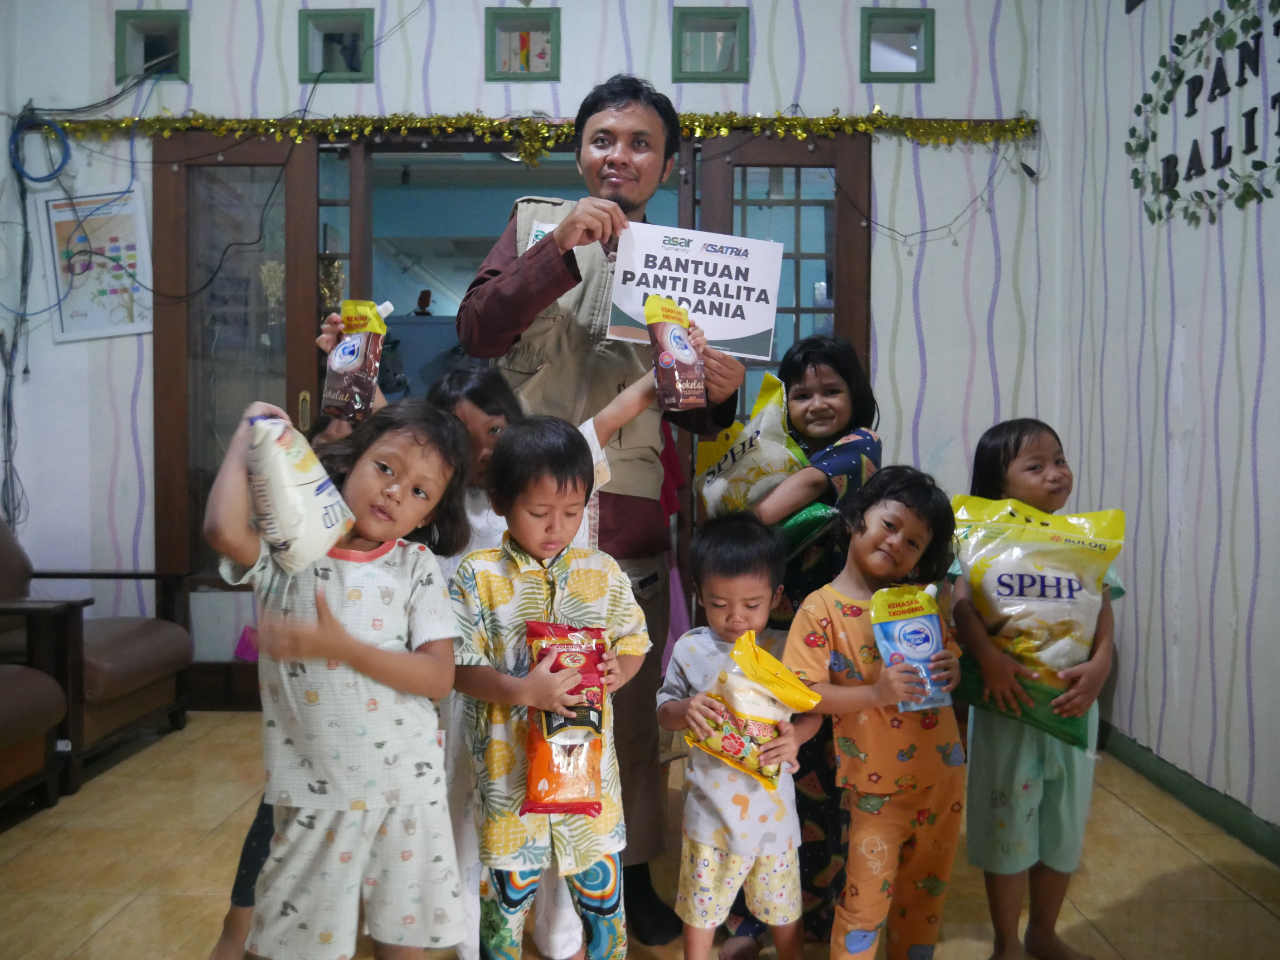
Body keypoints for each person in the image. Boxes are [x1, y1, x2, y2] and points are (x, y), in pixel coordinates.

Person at [456, 73, 745, 943]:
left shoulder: (686, 260)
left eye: (641, 142)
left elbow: (695, 412)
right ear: (580, 149)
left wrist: (721, 391)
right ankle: (509, 874)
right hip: (528, 510)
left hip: (625, 514)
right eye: (604, 138)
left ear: (667, 163)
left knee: (623, 710)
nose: (620, 155)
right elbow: (478, 331)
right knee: (517, 700)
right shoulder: (534, 223)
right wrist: (557, 251)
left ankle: (625, 870)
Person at [203, 398, 470, 960]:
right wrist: (246, 437)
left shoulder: (415, 567)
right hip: (316, 792)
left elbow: (437, 677)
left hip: (409, 790)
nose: (394, 492)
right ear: (350, 462)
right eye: (385, 468)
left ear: (427, 517)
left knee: (403, 939)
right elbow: (223, 531)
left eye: (419, 492)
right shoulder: (291, 550)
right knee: (295, 943)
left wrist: (343, 648)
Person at [426, 365, 657, 960]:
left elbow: (633, 640)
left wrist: (621, 670)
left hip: (591, 783)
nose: (557, 528)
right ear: (501, 503)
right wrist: (523, 691)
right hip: (509, 783)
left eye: (573, 511)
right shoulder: (477, 577)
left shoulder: (601, 572)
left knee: (602, 908)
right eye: (538, 512)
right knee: (505, 908)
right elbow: (459, 668)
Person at [719, 335, 881, 954]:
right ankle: (754, 912)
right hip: (769, 635)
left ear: (856, 396)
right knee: (759, 766)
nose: (816, 404)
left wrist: (733, 518)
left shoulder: (858, 447)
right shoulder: (777, 446)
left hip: (829, 642)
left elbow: (777, 507)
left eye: (831, 390)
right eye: (801, 394)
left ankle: (812, 911)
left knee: (819, 776)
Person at [950, 420, 1124, 960]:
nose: (1056, 473)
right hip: (1008, 705)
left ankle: (1043, 935)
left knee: (1062, 828)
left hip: (1072, 707)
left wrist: (1100, 665)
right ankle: (1006, 942)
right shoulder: (981, 539)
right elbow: (961, 605)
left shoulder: (1083, 540)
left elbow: (1103, 610)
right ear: (997, 484)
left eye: (1060, 460)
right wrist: (989, 660)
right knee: (1006, 824)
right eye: (1036, 465)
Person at [781, 466, 962, 960]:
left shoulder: (919, 604)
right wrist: (876, 693)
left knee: (924, 897)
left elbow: (947, 664)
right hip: (875, 789)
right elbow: (803, 693)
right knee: (864, 904)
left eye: (914, 542)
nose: (898, 542)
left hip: (943, 778)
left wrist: (951, 667)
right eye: (890, 524)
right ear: (856, 518)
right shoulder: (820, 608)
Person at [656, 513, 819, 960]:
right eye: (719, 603)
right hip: (708, 814)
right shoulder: (691, 647)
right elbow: (664, 712)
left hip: (774, 817)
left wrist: (797, 737)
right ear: (699, 595)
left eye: (751, 604)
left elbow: (815, 712)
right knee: (700, 911)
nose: (735, 617)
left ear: (776, 596)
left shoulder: (785, 649)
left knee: (784, 910)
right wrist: (685, 710)